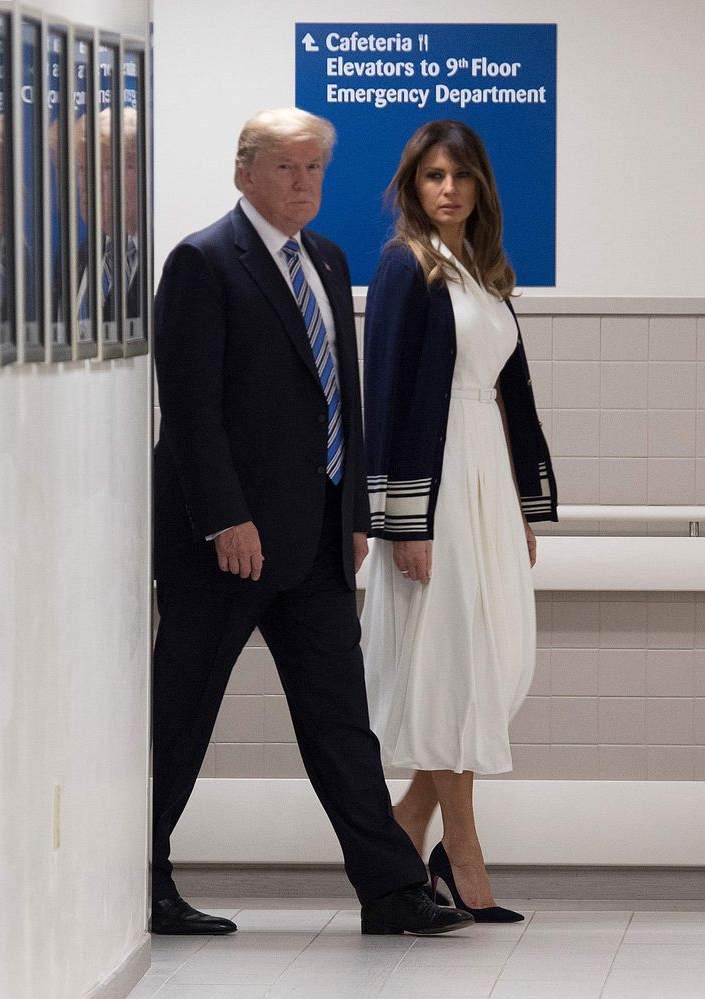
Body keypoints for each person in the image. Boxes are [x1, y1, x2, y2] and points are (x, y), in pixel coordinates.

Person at [147, 108, 471, 938]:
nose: (303, 185)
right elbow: (189, 410)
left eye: (315, 171)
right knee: (179, 720)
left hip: (317, 541)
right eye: (286, 169)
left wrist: (353, 510)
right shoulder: (203, 261)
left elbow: (342, 399)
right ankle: (143, 880)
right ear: (244, 172)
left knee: (340, 725)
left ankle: (392, 891)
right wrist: (226, 518)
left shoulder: (326, 259)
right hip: (225, 547)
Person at [362, 120, 558, 923]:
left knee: (489, 664)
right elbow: (388, 396)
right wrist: (405, 524)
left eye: (462, 176)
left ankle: (407, 836)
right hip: (433, 489)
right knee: (449, 670)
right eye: (434, 176)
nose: (448, 189)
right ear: (414, 186)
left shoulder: (486, 274)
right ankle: (464, 855)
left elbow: (515, 394)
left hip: (485, 486)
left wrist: (523, 505)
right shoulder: (405, 268)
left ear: (481, 188)